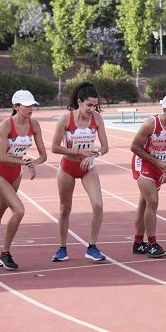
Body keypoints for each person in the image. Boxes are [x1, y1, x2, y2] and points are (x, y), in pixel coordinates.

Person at [0, 90, 48, 270]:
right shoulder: (6, 125)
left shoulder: (34, 125)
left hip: (15, 175)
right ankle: (5, 253)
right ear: (16, 107)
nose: (30, 108)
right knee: (19, 210)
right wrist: (25, 162)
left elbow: (43, 155)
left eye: (32, 105)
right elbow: (2, 156)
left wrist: (33, 162)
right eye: (26, 105)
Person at [51, 82, 109, 262]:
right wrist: (77, 152)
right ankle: (62, 248)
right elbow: (54, 147)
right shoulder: (66, 119)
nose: (92, 108)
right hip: (68, 167)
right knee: (64, 209)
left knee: (98, 205)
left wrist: (95, 154)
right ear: (79, 102)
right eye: (89, 105)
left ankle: (92, 247)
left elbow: (105, 147)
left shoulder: (97, 119)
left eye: (95, 105)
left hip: (88, 168)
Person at [130, 93, 166, 258]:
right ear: (165, 109)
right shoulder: (150, 124)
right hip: (144, 163)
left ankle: (137, 243)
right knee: (153, 201)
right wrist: (157, 163)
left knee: (144, 203)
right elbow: (134, 147)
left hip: (161, 166)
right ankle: (152, 244)